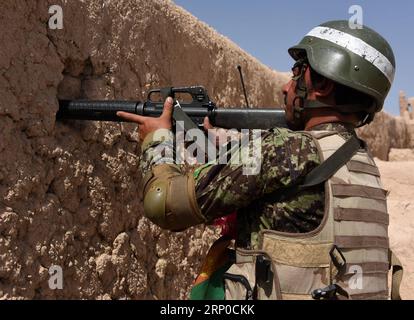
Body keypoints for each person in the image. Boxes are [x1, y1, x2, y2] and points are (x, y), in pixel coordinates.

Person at [117, 20, 403, 300]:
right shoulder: (362, 161)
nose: (285, 88)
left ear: (323, 84)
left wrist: (157, 140)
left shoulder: (281, 149)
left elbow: (163, 204)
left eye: (296, 74)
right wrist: (231, 150)